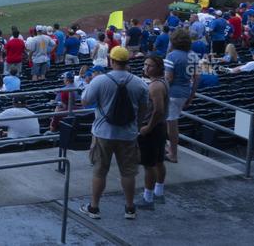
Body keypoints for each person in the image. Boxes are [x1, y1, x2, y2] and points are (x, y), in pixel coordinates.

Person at [80, 46, 149, 220]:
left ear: (111, 61)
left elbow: (85, 101)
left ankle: (94, 208)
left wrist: (90, 83)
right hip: (128, 134)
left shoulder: (100, 80)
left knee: (99, 171)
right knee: (128, 173)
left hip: (103, 133)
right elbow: (143, 110)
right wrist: (136, 126)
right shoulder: (139, 82)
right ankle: (130, 208)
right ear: (127, 62)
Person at [137, 56, 169, 210]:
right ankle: (159, 193)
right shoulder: (162, 82)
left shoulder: (155, 86)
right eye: (145, 65)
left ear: (158, 68)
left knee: (149, 165)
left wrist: (148, 127)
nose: (146, 68)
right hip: (160, 126)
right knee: (158, 161)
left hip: (153, 129)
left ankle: (148, 198)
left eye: (149, 66)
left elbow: (158, 110)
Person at [163, 29, 197, 163]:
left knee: (172, 123)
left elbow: (169, 78)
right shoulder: (193, 55)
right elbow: (196, 77)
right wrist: (191, 95)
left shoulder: (172, 56)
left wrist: (159, 89)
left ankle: (173, 154)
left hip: (173, 93)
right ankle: (168, 147)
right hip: (185, 92)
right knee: (168, 121)